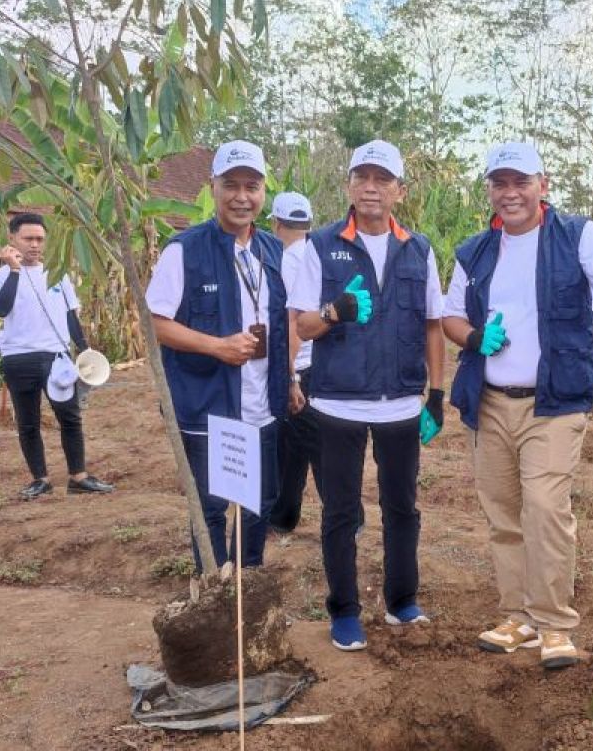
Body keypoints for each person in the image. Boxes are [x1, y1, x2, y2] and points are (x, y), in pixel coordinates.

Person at [443, 142, 593, 669]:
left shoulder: (577, 238)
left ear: (544, 184)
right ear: (490, 190)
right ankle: (517, 616)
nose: (510, 193)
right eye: (500, 183)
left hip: (554, 402)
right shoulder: (474, 252)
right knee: (503, 514)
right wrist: (473, 339)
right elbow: (450, 318)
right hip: (489, 403)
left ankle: (554, 622)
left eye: (521, 182)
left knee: (544, 508)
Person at [289, 140, 445, 652]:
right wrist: (335, 311)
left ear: (400, 190)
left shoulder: (419, 250)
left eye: (382, 179)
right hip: (337, 405)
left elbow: (432, 327)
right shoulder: (319, 246)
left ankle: (402, 602)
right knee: (340, 513)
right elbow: (303, 326)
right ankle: (346, 611)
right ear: (349, 185)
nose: (371, 187)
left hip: (401, 405)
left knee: (403, 508)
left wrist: (436, 395)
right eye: (362, 177)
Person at [146, 140, 303, 571]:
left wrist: (289, 379)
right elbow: (155, 323)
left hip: (261, 406)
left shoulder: (272, 251)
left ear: (264, 191)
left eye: (251, 186)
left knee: (258, 505)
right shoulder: (185, 250)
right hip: (207, 407)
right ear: (211, 187)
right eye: (230, 185)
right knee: (212, 507)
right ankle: (213, 593)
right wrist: (217, 346)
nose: (241, 196)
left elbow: (281, 321)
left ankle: (247, 586)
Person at [0, 213, 114, 501]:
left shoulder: (57, 274)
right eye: (28, 238)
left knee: (70, 416)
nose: (34, 245)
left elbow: (70, 316)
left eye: (39, 239)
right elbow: (1, 309)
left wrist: (84, 349)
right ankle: (39, 479)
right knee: (28, 422)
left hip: (57, 358)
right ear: (12, 238)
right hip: (18, 358)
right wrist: (14, 271)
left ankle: (78, 477)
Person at [267, 192, 322, 534]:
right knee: (296, 445)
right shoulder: (319, 254)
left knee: (305, 445)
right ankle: (284, 515)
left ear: (275, 224)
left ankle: (349, 518)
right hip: (321, 362)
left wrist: (290, 378)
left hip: (298, 365)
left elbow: (291, 324)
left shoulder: (287, 261)